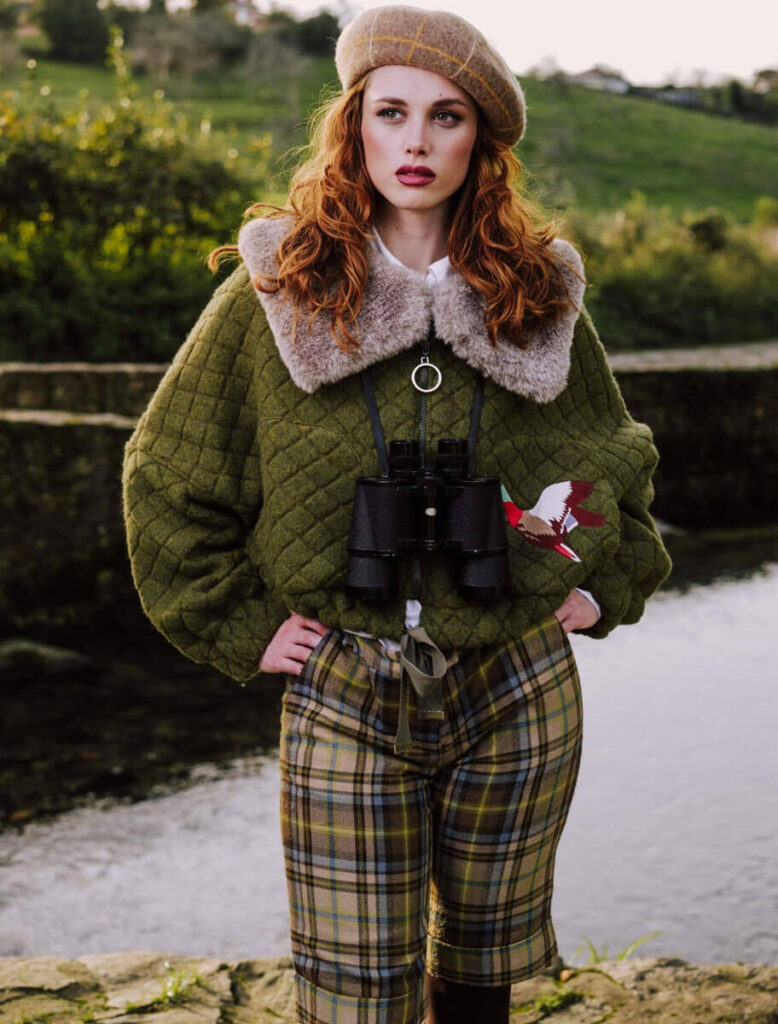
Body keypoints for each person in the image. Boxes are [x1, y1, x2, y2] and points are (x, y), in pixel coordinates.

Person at [122, 6, 671, 1023]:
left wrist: (602, 585)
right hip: (344, 678)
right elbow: (167, 470)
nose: (416, 142)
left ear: (481, 142)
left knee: (478, 978)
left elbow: (611, 460)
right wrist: (238, 624)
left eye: (446, 117)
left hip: (516, 680)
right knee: (352, 989)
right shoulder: (276, 289)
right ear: (354, 127)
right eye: (391, 113)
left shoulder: (536, 294)